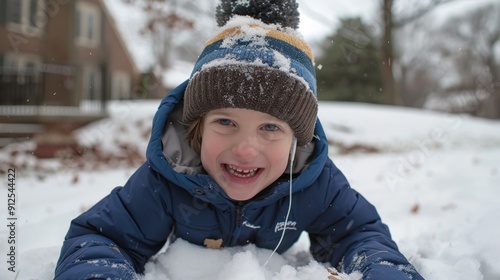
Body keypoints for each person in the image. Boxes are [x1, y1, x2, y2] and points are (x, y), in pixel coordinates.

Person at [55, 0, 423, 279]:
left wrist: (379, 269)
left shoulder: (314, 181)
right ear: (197, 126)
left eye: (270, 128)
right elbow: (104, 238)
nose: (246, 149)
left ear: (297, 138)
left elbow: (358, 234)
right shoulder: (168, 179)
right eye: (226, 122)